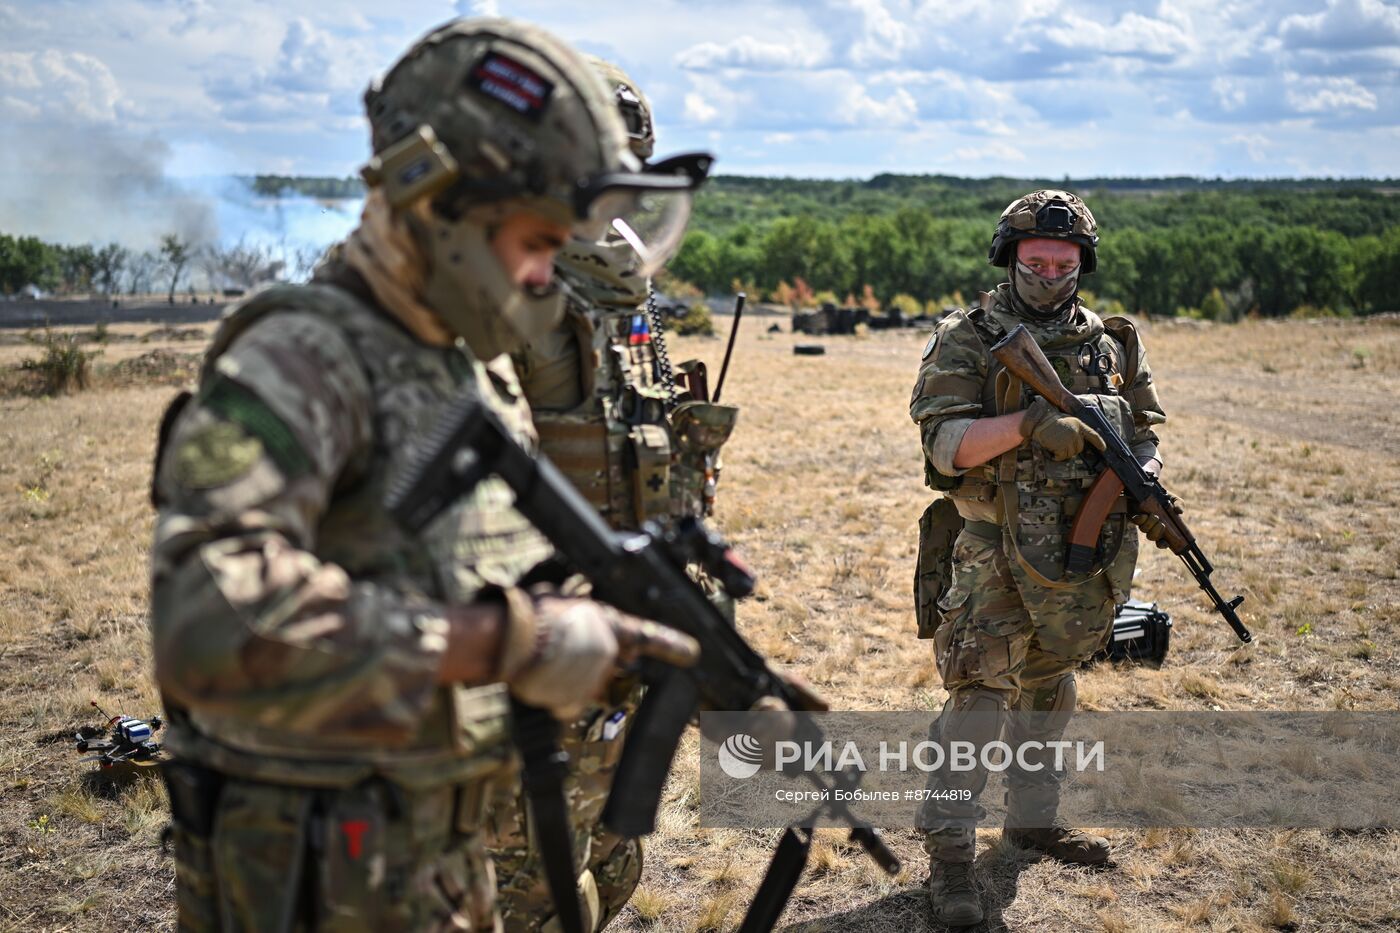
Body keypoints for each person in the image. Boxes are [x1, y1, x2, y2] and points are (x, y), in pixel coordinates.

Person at [149, 18, 700, 931]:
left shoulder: (463, 357)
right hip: (319, 875)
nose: (548, 270)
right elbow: (203, 618)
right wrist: (504, 644)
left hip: (432, 857)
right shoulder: (303, 358)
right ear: (436, 198)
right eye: (536, 235)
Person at [490, 58, 734, 932]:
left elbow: (647, 464)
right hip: (523, 654)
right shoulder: (492, 300)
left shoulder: (625, 305)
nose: (609, 208)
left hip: (620, 643)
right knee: (528, 886)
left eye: (623, 181)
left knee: (609, 856)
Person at [909, 189, 1170, 926]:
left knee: (1050, 684)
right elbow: (945, 446)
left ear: (1082, 264)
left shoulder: (1113, 342)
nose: (1050, 276)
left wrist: (1143, 473)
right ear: (1009, 258)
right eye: (1035, 262)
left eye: (1064, 264)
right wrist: (1028, 422)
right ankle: (952, 859)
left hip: (1080, 549)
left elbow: (1146, 430)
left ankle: (1032, 819)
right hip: (991, 547)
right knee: (979, 702)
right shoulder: (970, 336)